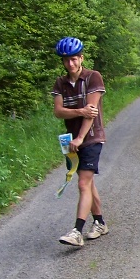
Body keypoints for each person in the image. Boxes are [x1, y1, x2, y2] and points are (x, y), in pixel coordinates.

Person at [52, 37, 108, 247]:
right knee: (89, 183)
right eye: (66, 60)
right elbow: (58, 111)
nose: (71, 64)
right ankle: (100, 222)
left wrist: (80, 137)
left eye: (74, 59)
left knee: (83, 182)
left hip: (91, 137)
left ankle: (77, 231)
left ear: (81, 58)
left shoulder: (93, 77)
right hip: (72, 140)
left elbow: (91, 113)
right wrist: (78, 111)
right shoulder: (60, 83)